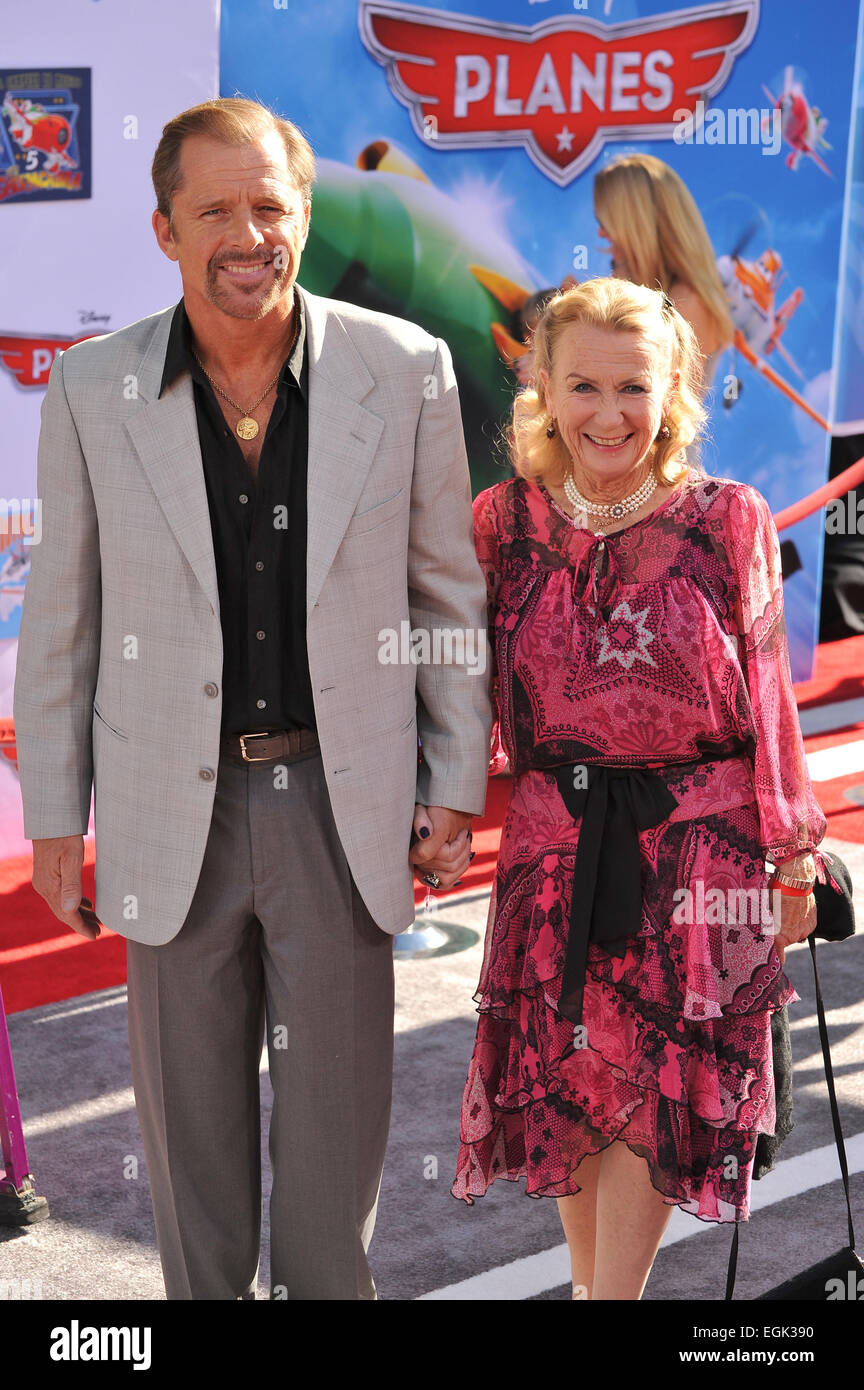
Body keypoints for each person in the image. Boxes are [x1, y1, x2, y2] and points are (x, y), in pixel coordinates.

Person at [13, 97, 492, 1300]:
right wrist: (56, 820)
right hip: (172, 805)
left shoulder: (407, 370)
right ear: (165, 227)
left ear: (305, 213)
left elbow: (444, 596)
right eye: (214, 209)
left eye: (270, 205)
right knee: (193, 1170)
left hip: (344, 803)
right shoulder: (88, 387)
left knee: (337, 1176)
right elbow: (61, 616)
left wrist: (451, 782)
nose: (246, 232)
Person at [451, 277, 828, 1300]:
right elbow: (458, 687)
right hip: (552, 850)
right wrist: (434, 809)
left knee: (657, 1096)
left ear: (673, 394)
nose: (608, 413)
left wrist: (792, 847)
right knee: (574, 1088)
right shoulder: (504, 523)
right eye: (584, 386)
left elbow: (767, 689)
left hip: (697, 855)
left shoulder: (726, 519)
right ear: (542, 389)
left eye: (633, 387)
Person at [593, 153, 733, 391]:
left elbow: (658, 402)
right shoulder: (665, 294)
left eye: (608, 223)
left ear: (639, 228)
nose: (601, 234)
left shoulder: (687, 304)